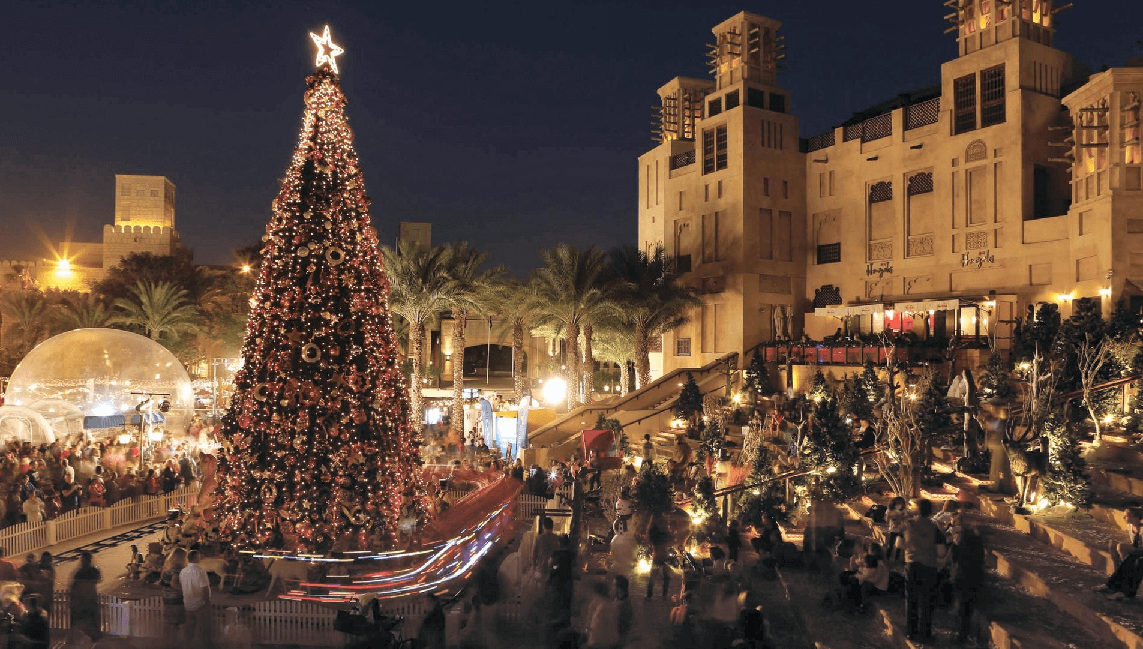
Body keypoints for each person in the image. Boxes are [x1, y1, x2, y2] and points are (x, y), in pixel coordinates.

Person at [902, 499, 944, 642]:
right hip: (929, 566)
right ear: (930, 511)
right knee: (927, 602)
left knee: (911, 599)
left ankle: (910, 632)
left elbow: (899, 544)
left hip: (912, 565)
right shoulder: (935, 528)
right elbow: (941, 552)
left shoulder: (908, 525)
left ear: (916, 510)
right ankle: (925, 634)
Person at [1095, 506, 1143, 600]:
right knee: (1113, 544)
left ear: (1136, 518)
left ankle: (1115, 585)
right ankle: (1115, 577)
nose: (1124, 518)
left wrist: (1131, 549)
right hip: (1137, 549)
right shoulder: (1130, 526)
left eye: (1126, 516)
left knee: (1127, 554)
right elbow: (1134, 543)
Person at [952, 522, 985, 642]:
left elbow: (954, 559)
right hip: (976, 579)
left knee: (962, 608)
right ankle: (974, 635)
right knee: (972, 608)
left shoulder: (959, 547)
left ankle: (962, 635)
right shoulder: (978, 546)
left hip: (962, 578)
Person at [69, 551, 102, 641]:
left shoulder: (90, 571)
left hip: (89, 600)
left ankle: (94, 637)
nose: (83, 562)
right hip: (83, 601)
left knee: (92, 621)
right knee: (86, 622)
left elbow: (97, 579)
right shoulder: (81, 572)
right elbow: (73, 586)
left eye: (84, 560)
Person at [180, 549, 212, 643]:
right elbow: (204, 587)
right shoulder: (200, 571)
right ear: (196, 558)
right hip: (200, 604)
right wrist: (206, 602)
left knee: (189, 629)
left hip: (188, 604)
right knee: (203, 630)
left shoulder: (183, 571)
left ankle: (188, 646)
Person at [646, 516, 672, 599]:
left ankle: (649, 595)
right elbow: (670, 541)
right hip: (665, 555)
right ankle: (664, 595)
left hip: (657, 556)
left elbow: (649, 541)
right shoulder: (666, 532)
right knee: (666, 577)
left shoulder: (653, 532)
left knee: (653, 576)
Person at [885, 497, 909, 562]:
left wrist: (901, 517)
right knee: (891, 544)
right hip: (893, 529)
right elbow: (887, 519)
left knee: (899, 544)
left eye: (901, 503)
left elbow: (905, 517)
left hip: (901, 529)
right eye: (898, 503)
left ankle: (897, 559)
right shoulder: (890, 510)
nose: (899, 504)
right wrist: (894, 518)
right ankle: (887, 557)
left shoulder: (903, 510)